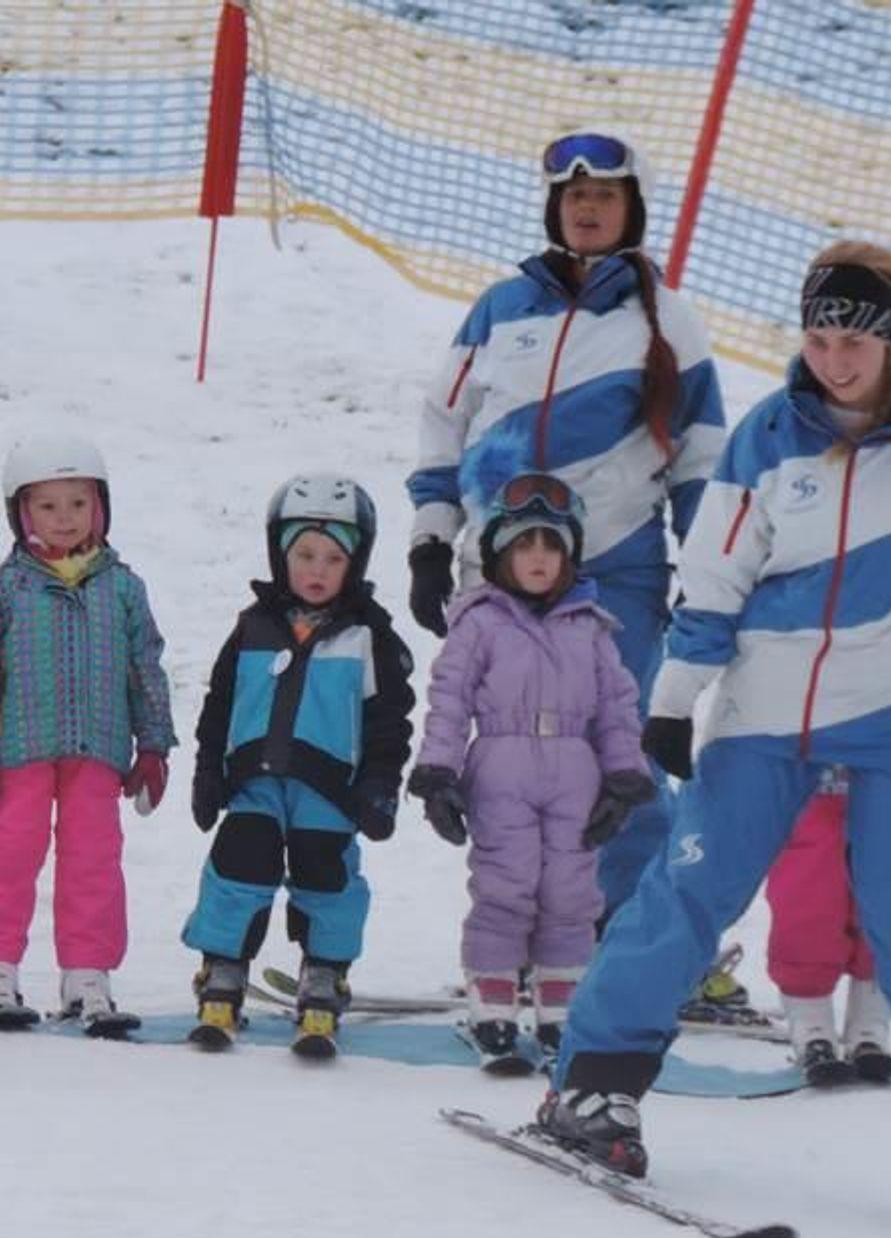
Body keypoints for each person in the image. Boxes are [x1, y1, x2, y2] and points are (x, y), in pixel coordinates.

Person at [535, 239, 891, 1218]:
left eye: (852, 342)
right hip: (764, 709)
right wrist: (675, 697)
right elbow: (715, 574)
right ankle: (594, 1085)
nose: (834, 361)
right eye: (817, 340)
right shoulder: (769, 433)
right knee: (689, 892)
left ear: (887, 334)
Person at [405, 128, 729, 974]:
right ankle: (535, 933)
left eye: (605, 197)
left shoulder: (666, 320)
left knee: (623, 752)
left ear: (632, 211)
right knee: (515, 756)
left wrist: (707, 572)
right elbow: (445, 421)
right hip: (501, 569)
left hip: (614, 565)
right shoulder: (500, 309)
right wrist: (431, 539)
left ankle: (644, 942)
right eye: (575, 196)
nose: (588, 209)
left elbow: (701, 454)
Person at [405, 472, 653, 1073]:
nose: (539, 558)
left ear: (570, 555)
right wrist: (437, 771)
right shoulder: (479, 622)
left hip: (575, 772)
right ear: (498, 554)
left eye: (551, 546)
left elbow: (617, 707)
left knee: (571, 892)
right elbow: (450, 699)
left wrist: (624, 775)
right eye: (524, 545)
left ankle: (560, 1006)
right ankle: (492, 1003)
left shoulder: (590, 627)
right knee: (505, 886)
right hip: (502, 768)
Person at [181, 474, 415, 1059]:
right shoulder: (252, 627)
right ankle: (223, 968)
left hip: (330, 791)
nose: (317, 570)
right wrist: (208, 773)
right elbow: (219, 705)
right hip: (253, 783)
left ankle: (325, 973)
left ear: (355, 562)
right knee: (237, 871)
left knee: (327, 880)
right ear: (279, 556)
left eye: (333, 559)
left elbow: (389, 721)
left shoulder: (368, 635)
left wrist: (381, 785)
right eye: (304, 555)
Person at [0, 432, 174, 1034]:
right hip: (21, 746)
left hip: (98, 747)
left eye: (78, 503)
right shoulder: (3, 589)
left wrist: (154, 745)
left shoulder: (122, 587)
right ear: (22, 512)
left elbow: (145, 667)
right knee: (11, 852)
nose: (65, 518)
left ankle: (87, 976)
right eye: (48, 506)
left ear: (99, 506)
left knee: (94, 858)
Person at [763, 766, 891, 1086]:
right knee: (809, 901)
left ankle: (871, 1026)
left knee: (888, 903)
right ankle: (812, 1029)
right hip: (810, 779)